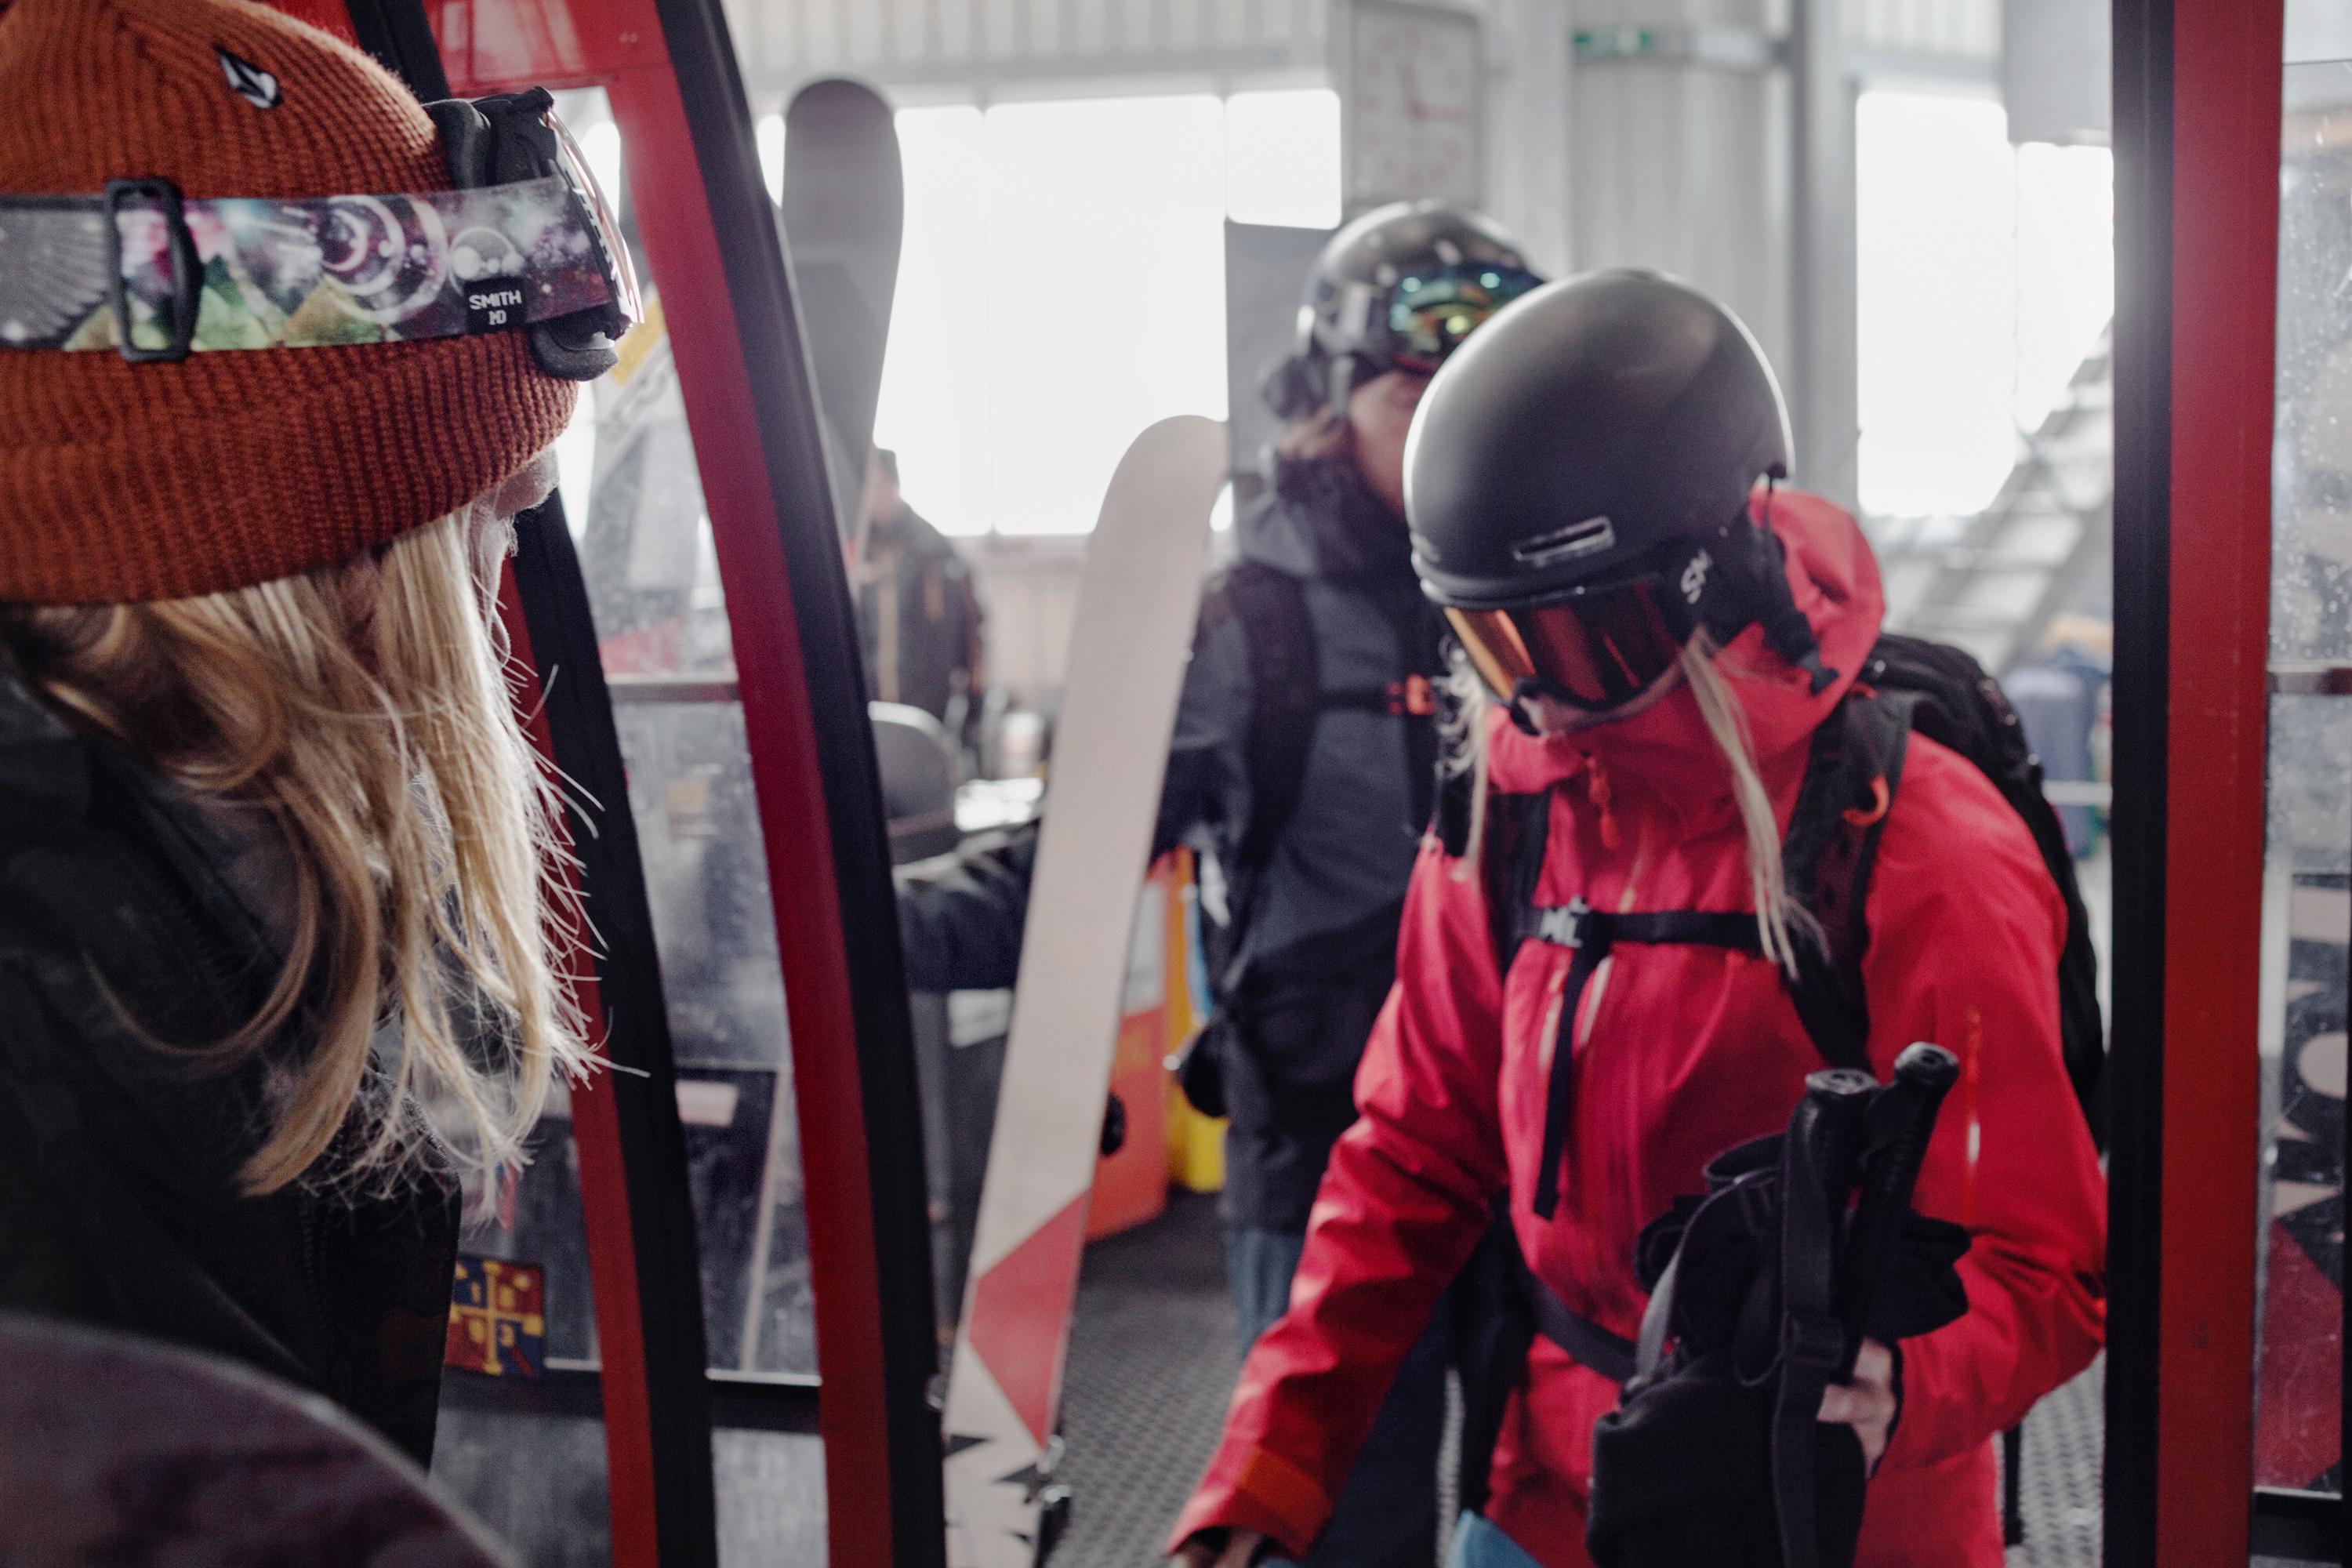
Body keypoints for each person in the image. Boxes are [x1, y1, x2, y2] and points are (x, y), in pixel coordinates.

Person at [1167, 273, 2105, 1567]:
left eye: (1580, 643)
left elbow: (2048, 1266)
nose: (1540, 706)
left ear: (1711, 584)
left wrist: (1898, 1384)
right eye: (1496, 648)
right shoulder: (1513, 811)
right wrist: (1263, 1483)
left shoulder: (1913, 840)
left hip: (1828, 1515)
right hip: (1554, 1496)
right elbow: (1407, 1159)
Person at [0, 0, 627, 1465]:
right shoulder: (52, 1028)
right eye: (494, 507)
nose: (503, 549)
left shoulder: (221, 887)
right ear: (333, 538)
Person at [853, 446, 986, 746]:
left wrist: (973, 714)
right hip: (872, 710)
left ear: (893, 485)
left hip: (927, 710)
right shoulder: (857, 554)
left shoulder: (934, 553)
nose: (870, 497)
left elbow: (973, 636)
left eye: (876, 485)